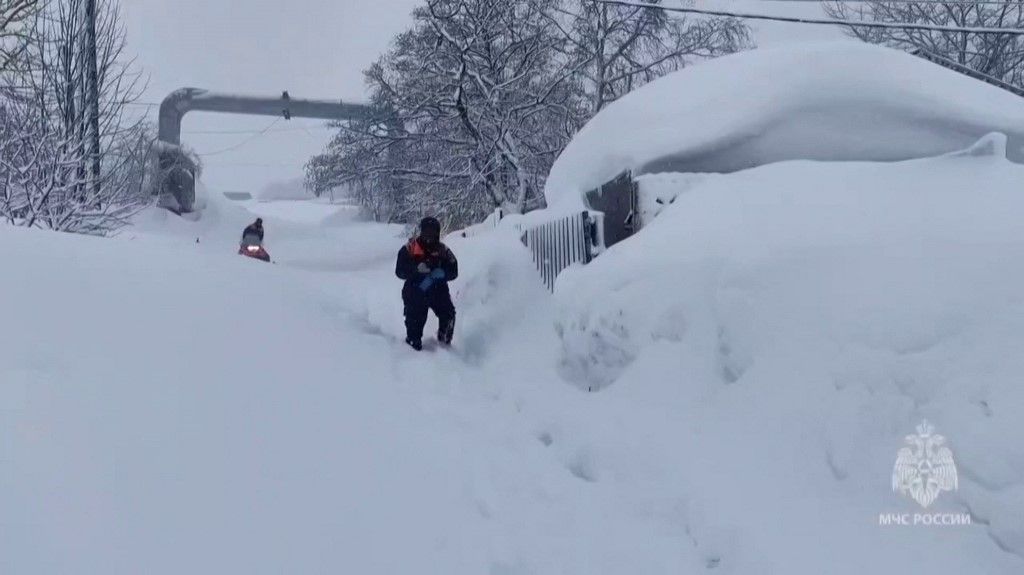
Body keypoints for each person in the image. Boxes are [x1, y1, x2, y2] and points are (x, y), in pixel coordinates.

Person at [395, 216, 458, 350]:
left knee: (448, 315)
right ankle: (412, 348)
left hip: (437, 289)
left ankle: (444, 345)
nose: (429, 236)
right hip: (415, 291)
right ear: (421, 231)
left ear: (438, 233)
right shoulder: (410, 248)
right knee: (414, 326)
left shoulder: (443, 250)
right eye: (426, 231)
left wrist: (441, 273)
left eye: (433, 232)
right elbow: (399, 271)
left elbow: (454, 270)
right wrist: (415, 269)